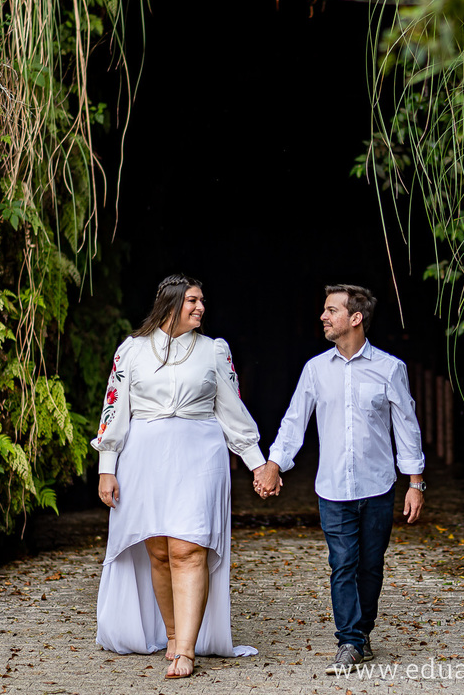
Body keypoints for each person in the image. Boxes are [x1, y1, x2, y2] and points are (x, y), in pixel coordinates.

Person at [91, 274, 267, 679]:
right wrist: (107, 469)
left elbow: (233, 411)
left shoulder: (213, 352)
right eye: (192, 300)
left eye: (202, 300)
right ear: (169, 304)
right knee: (158, 552)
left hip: (199, 458)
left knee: (189, 549)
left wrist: (257, 462)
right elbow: (113, 411)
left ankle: (187, 650)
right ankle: (172, 637)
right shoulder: (132, 350)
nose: (201, 307)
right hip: (143, 461)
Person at [254, 284, 425, 674]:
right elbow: (294, 421)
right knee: (342, 563)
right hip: (331, 487)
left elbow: (406, 427)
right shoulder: (315, 370)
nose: (323, 317)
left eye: (331, 310)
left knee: (371, 566)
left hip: (378, 485)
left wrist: (415, 483)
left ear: (355, 318)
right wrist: (274, 464)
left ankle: (361, 634)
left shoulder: (389, 368)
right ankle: (349, 640)